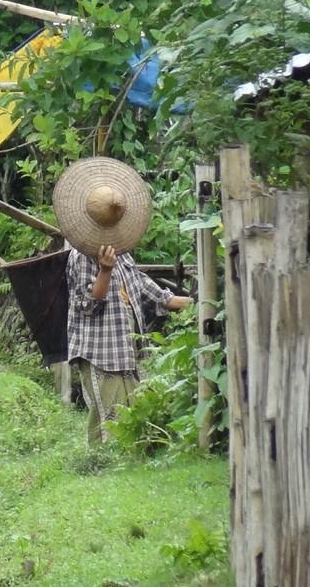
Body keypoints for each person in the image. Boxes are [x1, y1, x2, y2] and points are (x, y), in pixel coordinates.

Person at [52, 157, 193, 445]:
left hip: (124, 351)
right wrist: (104, 270)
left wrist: (203, 305)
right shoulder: (81, 258)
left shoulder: (124, 255)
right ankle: (97, 467)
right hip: (99, 351)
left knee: (127, 417)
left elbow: (156, 295)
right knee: (108, 418)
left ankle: (112, 463)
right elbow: (90, 304)